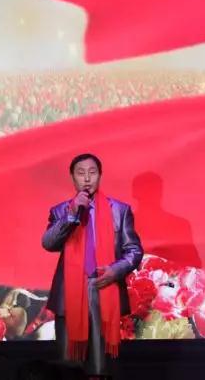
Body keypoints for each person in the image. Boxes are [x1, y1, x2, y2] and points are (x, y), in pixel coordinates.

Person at [42, 153, 143, 379]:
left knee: (100, 366)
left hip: (104, 289)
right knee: (69, 366)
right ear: (72, 178)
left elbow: (134, 250)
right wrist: (71, 214)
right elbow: (48, 243)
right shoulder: (61, 210)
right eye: (81, 173)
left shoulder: (119, 210)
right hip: (69, 294)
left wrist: (115, 270)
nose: (87, 178)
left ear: (100, 176)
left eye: (92, 172)